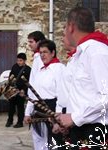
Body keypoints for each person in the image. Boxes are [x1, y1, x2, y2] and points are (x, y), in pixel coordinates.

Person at [55, 7, 108, 150]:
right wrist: (70, 121)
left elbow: (106, 96)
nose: (64, 31)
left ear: (71, 27)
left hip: (96, 132)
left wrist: (74, 118)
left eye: (65, 27)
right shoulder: (82, 54)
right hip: (81, 129)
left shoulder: (97, 52)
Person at [24, 40, 65, 150]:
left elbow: (62, 93)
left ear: (53, 53)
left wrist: (58, 116)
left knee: (55, 144)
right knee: (39, 142)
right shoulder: (40, 71)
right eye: (41, 52)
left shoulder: (59, 69)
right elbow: (33, 93)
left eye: (45, 52)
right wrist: (28, 112)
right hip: (38, 109)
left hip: (52, 109)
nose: (42, 55)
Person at [5, 53, 31, 128]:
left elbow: (29, 82)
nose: (19, 62)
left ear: (25, 61)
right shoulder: (14, 67)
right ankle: (10, 120)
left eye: (21, 60)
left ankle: (20, 122)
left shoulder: (28, 70)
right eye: (18, 60)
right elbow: (10, 76)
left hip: (21, 91)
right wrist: (10, 85)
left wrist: (24, 90)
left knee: (20, 107)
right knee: (11, 107)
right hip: (13, 90)